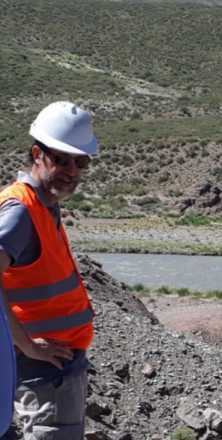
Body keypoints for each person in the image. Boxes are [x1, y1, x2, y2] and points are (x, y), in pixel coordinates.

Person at [0, 102, 98, 439]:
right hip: (43, 369)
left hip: (55, 366)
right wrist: (27, 345)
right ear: (37, 155)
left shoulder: (44, 205)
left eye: (80, 162)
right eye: (61, 159)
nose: (72, 170)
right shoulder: (21, 210)